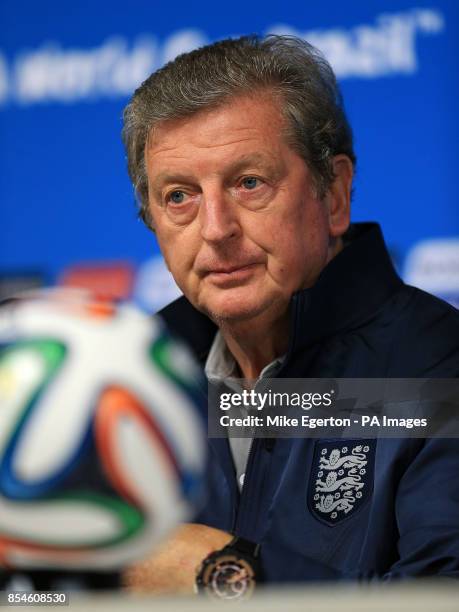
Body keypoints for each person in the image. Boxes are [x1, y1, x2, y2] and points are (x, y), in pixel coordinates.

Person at [121, 35, 459, 593]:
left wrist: (221, 573)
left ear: (334, 196)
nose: (215, 229)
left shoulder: (438, 370)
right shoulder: (135, 378)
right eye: (179, 196)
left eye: (249, 183)